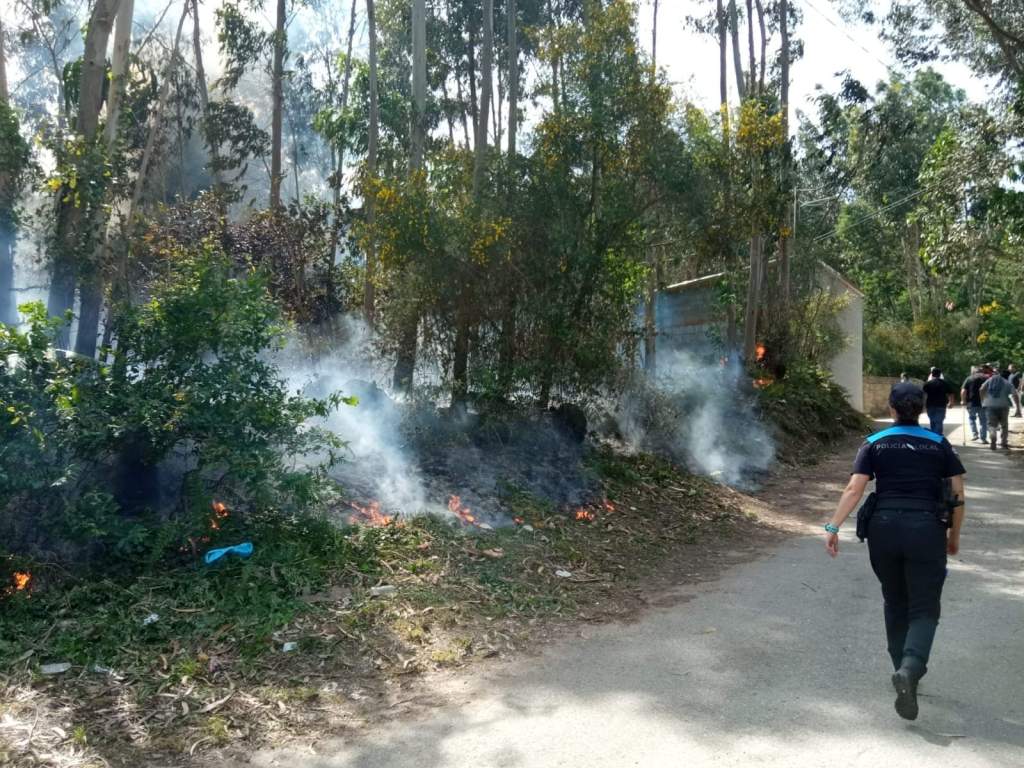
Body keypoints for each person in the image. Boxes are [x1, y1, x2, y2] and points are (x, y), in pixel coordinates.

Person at [824, 382, 966, 721]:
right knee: (924, 605)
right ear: (919, 409)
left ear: (891, 408)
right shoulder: (939, 443)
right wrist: (954, 536)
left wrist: (833, 527)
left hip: (883, 528)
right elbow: (957, 493)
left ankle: (901, 669)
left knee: (894, 599)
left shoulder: (874, 442)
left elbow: (854, 488)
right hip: (925, 529)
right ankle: (911, 668)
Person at [980, 368, 1012, 450]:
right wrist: (1018, 407)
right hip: (1004, 405)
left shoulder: (989, 380)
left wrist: (982, 399)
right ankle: (1003, 443)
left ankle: (993, 438)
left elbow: (981, 389)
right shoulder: (1006, 382)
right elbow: (1014, 394)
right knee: (1004, 425)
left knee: (991, 424)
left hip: (990, 405)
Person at [960, 365, 989, 442]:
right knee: (983, 421)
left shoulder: (969, 378)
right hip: (983, 403)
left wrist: (963, 401)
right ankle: (983, 438)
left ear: (973, 372)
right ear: (981, 371)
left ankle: (975, 434)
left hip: (971, 403)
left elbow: (963, 391)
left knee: (972, 419)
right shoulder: (986, 378)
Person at [922, 367, 953, 435]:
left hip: (930, 405)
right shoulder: (944, 383)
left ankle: (934, 436)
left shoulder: (928, 384)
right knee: (939, 422)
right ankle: (937, 437)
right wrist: (951, 402)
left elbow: (923, 395)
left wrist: (923, 404)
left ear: (932, 375)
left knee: (932, 421)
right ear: (940, 374)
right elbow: (951, 393)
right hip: (941, 405)